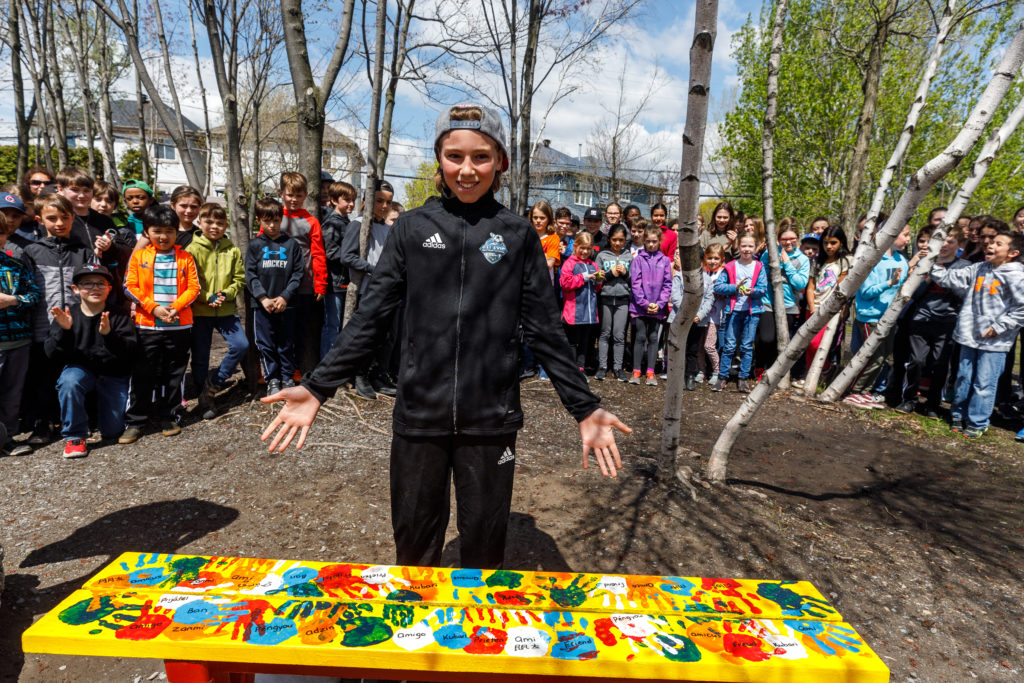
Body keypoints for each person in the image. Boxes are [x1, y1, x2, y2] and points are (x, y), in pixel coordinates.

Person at [260, 102, 630, 571]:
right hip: (420, 420)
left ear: (501, 162)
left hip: (491, 422)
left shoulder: (517, 235)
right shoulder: (413, 228)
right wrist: (318, 387)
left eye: (481, 156)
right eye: (455, 156)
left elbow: (545, 329)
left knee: (483, 549)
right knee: (414, 548)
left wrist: (584, 405)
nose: (468, 169)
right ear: (440, 158)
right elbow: (370, 318)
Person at [20, 194, 96, 451]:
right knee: (42, 377)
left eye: (65, 217)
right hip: (42, 327)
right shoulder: (31, 252)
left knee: (73, 374)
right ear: (40, 221)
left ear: (73, 218)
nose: (59, 223)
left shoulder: (83, 251)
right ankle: (44, 423)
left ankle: (79, 420)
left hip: (75, 327)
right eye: (52, 218)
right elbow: (28, 289)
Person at [120, 205, 201, 443]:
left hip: (179, 326)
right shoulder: (139, 256)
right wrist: (153, 308)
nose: (163, 236)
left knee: (174, 374)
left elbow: (194, 288)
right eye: (157, 230)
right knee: (143, 374)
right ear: (147, 232)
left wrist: (175, 308)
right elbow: (129, 286)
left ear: (177, 232)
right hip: (147, 327)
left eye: (169, 231)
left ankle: (169, 415)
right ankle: (136, 421)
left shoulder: (186, 258)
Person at [931, 231, 1024, 438]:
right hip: (968, 335)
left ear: (1013, 253)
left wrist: (1000, 326)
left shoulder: (1018, 275)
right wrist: (929, 264)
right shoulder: (980, 268)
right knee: (964, 377)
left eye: (998, 243)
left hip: (995, 342)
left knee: (984, 382)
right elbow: (951, 278)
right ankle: (958, 414)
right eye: (991, 242)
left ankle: (978, 421)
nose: (990, 245)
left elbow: (1022, 308)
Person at [45, 264, 135, 458]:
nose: (95, 288)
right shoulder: (67, 315)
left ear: (109, 288)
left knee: (113, 432)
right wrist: (64, 331)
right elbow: (51, 354)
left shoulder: (118, 314)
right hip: (82, 371)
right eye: (87, 284)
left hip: (113, 373)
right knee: (69, 381)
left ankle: (96, 415)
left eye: (100, 283)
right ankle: (75, 436)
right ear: (75, 289)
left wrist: (109, 335)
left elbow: (130, 352)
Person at [891, 227, 968, 417]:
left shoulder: (964, 266)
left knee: (939, 365)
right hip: (921, 319)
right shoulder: (926, 263)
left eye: (950, 241)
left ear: (959, 245)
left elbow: (964, 294)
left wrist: (944, 278)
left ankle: (933, 404)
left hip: (948, 322)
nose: (945, 245)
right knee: (916, 361)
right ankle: (909, 399)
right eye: (942, 241)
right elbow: (914, 294)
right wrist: (928, 277)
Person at [186, 203, 248, 419]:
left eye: (220, 223)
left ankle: (214, 384)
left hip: (226, 310)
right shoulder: (191, 250)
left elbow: (239, 279)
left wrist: (227, 294)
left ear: (226, 225)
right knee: (201, 356)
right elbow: (188, 280)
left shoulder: (232, 249)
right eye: (209, 222)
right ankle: (204, 398)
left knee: (241, 345)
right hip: (200, 311)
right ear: (200, 223)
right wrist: (205, 297)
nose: (214, 226)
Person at [843, 224, 910, 408]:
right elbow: (865, 292)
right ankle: (854, 391)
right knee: (872, 357)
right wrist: (890, 282)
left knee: (883, 358)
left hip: (889, 318)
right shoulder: (873, 260)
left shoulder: (901, 261)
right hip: (870, 317)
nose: (908, 239)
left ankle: (864, 392)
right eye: (905, 235)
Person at [341, 179, 397, 399]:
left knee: (386, 337)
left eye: (388, 202)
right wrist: (373, 269)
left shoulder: (388, 228)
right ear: (367, 201)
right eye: (379, 201)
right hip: (366, 290)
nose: (384, 206)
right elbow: (347, 256)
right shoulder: (358, 223)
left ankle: (377, 375)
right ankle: (360, 376)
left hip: (387, 290)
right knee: (367, 336)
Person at [246, 198, 304, 396]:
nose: (272, 225)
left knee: (286, 343)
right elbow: (250, 274)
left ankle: (287, 377)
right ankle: (273, 379)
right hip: (261, 305)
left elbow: (298, 274)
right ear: (258, 220)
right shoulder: (254, 245)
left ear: (282, 220)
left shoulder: (291, 245)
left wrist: (285, 297)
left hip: (286, 305)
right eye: (267, 221)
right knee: (265, 345)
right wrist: (263, 298)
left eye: (276, 220)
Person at [279, 171, 328, 374]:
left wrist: (321, 284)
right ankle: (277, 371)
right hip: (278, 286)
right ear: (281, 193)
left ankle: (297, 369)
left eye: (298, 196)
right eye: (290, 195)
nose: (293, 200)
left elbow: (318, 254)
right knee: (280, 330)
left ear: (305, 196)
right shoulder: (274, 218)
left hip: (305, 286)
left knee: (301, 330)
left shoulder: (312, 222)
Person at [0, 212, 40, 455]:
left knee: (12, 394)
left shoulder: (15, 266)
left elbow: (34, 296)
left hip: (17, 340)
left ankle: (7, 438)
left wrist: (13, 300)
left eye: (0, 233)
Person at [712, 234, 767, 392]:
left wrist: (752, 291)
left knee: (747, 346)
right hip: (733, 312)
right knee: (729, 346)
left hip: (752, 312)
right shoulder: (730, 266)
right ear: (738, 246)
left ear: (755, 248)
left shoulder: (759, 267)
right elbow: (718, 287)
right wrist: (735, 288)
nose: (747, 249)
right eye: (744, 246)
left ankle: (743, 378)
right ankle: (722, 377)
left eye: (750, 246)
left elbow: (763, 289)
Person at [757, 221, 810, 384]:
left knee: (779, 342)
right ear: (778, 239)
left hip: (788, 306)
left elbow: (800, 284)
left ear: (798, 238)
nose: (788, 242)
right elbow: (762, 274)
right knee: (766, 338)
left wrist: (787, 263)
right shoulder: (770, 253)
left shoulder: (802, 259)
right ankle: (759, 367)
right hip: (767, 302)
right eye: (784, 239)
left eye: (792, 239)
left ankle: (771, 372)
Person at [805, 226, 851, 382]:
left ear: (841, 242)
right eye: (825, 243)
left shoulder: (846, 261)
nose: (829, 247)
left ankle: (825, 370)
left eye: (833, 243)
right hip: (812, 308)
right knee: (808, 345)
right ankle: (810, 377)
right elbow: (811, 287)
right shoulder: (817, 261)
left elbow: (842, 287)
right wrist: (812, 307)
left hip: (830, 310)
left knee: (816, 344)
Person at [629, 225, 672, 386]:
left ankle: (651, 372)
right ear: (644, 241)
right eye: (648, 241)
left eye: (654, 241)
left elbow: (668, 284)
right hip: (640, 307)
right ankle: (636, 371)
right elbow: (635, 283)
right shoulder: (638, 260)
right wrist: (644, 303)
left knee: (654, 338)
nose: (651, 245)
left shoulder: (665, 260)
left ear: (659, 241)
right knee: (640, 337)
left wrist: (660, 304)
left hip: (658, 308)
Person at [320, 180, 356, 357]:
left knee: (341, 325)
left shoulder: (346, 221)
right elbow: (330, 252)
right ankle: (326, 369)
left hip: (344, 282)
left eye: (353, 200)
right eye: (346, 200)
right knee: (332, 326)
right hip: (334, 283)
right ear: (334, 200)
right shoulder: (332, 223)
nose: (351, 204)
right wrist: (352, 255)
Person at [595, 224, 633, 381]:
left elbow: (634, 280)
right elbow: (596, 279)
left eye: (621, 240)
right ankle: (602, 366)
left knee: (619, 335)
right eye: (614, 240)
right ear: (609, 239)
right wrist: (610, 274)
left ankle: (618, 367)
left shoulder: (628, 256)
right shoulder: (602, 255)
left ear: (625, 241)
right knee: (604, 333)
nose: (617, 243)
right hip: (606, 298)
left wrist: (626, 274)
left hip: (623, 300)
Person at [560, 231, 602, 373]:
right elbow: (565, 283)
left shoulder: (593, 265)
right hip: (573, 310)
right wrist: (584, 277)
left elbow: (596, 288)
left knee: (584, 342)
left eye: (588, 249)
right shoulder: (569, 263)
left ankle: (580, 368)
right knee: (572, 341)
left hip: (589, 311)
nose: (584, 251)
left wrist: (598, 280)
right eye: (582, 248)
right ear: (575, 246)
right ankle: (571, 369)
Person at [694, 243, 726, 388]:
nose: (712, 261)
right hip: (701, 314)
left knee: (709, 346)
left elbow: (725, 290)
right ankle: (701, 370)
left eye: (716, 258)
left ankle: (717, 371)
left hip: (715, 315)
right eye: (709, 258)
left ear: (722, 259)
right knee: (699, 345)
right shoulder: (703, 272)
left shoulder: (723, 273)